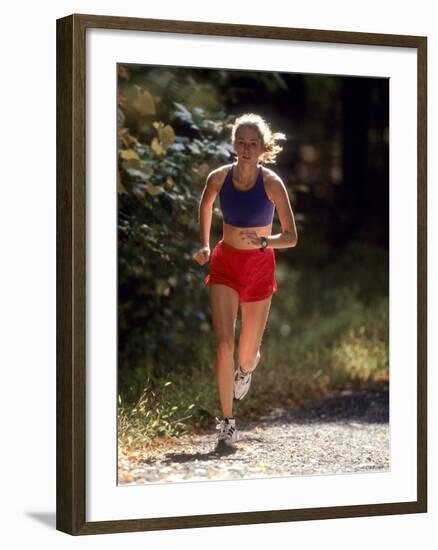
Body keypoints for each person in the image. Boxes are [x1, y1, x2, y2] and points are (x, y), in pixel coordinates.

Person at [193, 113, 298, 448]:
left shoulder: (271, 184)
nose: (247, 149)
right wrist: (205, 243)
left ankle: (246, 369)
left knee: (245, 354)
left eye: (253, 144)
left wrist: (268, 241)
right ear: (234, 144)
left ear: (263, 148)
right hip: (225, 264)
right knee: (224, 344)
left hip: (259, 267)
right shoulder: (218, 178)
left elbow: (292, 237)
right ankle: (227, 422)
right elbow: (205, 203)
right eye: (241, 142)